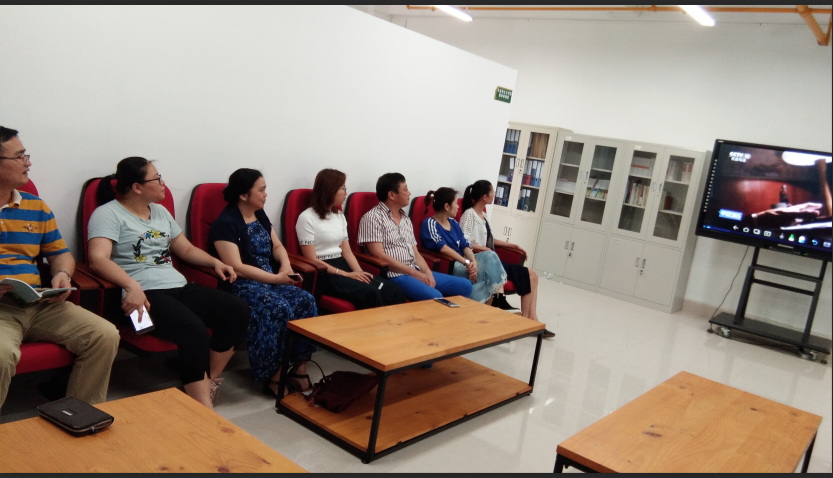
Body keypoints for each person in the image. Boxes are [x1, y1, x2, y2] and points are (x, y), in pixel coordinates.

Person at [88, 157, 249, 409]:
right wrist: (131, 286)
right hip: (141, 296)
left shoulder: (160, 212)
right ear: (137, 187)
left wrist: (215, 262)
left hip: (178, 286)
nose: (164, 183)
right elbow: (97, 259)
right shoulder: (107, 214)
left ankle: (207, 382)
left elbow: (185, 249)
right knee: (193, 329)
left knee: (237, 310)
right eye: (157, 179)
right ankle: (202, 407)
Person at [0, 126, 120, 411]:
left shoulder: (35, 207)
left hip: (39, 303)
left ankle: (78, 415)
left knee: (104, 335)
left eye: (26, 155)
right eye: (20, 157)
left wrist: (62, 274)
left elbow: (60, 253)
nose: (28, 162)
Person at [209, 168, 318, 398]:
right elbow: (237, 267)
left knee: (306, 301)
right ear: (243, 195)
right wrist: (276, 278)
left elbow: (277, 246)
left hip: (271, 279)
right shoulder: (225, 223)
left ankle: (299, 370)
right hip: (242, 285)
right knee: (276, 308)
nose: (266, 194)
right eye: (261, 190)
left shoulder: (260, 214)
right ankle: (273, 375)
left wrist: (285, 266)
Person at [296, 169, 406, 309]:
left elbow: (347, 252)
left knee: (393, 290)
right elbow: (311, 258)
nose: (346, 193)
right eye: (343, 188)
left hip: (342, 264)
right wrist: (346, 275)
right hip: (324, 272)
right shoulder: (306, 218)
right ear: (330, 190)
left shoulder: (339, 216)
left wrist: (360, 273)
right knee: (371, 294)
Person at [459, 180, 554, 339]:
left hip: (492, 259)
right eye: (492, 193)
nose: (494, 195)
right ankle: (526, 322)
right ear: (484, 197)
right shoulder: (469, 214)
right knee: (529, 275)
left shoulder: (484, 216)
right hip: (481, 261)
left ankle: (532, 320)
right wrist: (486, 250)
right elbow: (464, 241)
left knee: (533, 275)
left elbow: (492, 240)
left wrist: (513, 245)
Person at [358, 173, 472, 302]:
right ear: (392, 195)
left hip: (414, 270)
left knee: (465, 286)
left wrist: (427, 273)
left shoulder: (406, 219)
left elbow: (415, 253)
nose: (409, 193)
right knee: (435, 296)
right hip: (394, 274)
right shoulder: (372, 218)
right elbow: (379, 255)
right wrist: (414, 273)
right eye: (405, 189)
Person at [419, 187, 507, 304]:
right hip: (450, 265)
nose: (458, 206)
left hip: (464, 262)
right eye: (456, 203)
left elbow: (465, 243)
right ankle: (493, 302)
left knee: (490, 255)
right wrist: (466, 262)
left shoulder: (453, 223)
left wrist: (473, 261)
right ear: (447, 206)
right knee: (485, 273)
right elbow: (443, 248)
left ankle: (496, 301)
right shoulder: (430, 223)